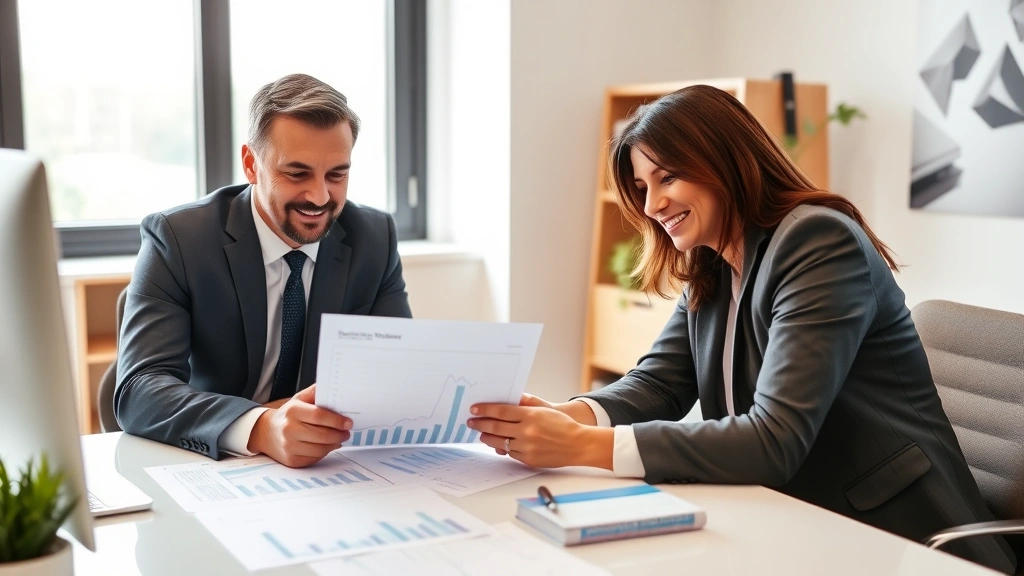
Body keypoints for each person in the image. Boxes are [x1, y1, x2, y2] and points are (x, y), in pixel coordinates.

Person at [467, 85, 1016, 573]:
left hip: (898, 539)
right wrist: (564, 416)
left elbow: (774, 439)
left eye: (667, 176)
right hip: (790, 519)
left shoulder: (818, 243)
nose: (652, 204)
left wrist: (582, 446)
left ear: (724, 160)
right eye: (641, 186)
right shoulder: (713, 260)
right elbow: (658, 383)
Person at [116, 73, 412, 468]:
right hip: (214, 461)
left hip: (328, 466)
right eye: (297, 173)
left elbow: (399, 373)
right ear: (251, 164)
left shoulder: (374, 238)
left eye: (336, 174)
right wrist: (261, 427)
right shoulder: (180, 239)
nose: (320, 196)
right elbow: (138, 391)